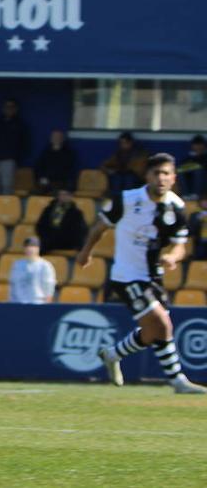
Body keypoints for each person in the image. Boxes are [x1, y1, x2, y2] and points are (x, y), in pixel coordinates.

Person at [82, 154, 205, 393]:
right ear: (147, 176)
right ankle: (178, 381)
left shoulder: (177, 207)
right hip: (126, 275)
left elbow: (180, 244)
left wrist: (173, 256)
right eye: (156, 173)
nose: (161, 178)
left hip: (153, 277)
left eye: (166, 173)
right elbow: (100, 226)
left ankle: (112, 354)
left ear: (173, 178)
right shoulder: (127, 199)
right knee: (163, 323)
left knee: (154, 332)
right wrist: (86, 252)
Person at [0, 98, 28, 196]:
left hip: (9, 160)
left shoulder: (20, 124)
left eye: (11, 107)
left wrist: (16, 157)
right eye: (6, 107)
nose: (8, 109)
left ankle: (6, 210)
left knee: (7, 188)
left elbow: (24, 144)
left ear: (16, 109)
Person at [8, 237, 56, 304]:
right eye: (27, 246)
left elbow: (49, 287)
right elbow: (13, 285)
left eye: (33, 246)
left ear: (38, 249)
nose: (30, 249)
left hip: (38, 303)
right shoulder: (17, 265)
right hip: (18, 303)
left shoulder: (45, 266)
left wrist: (46, 305)